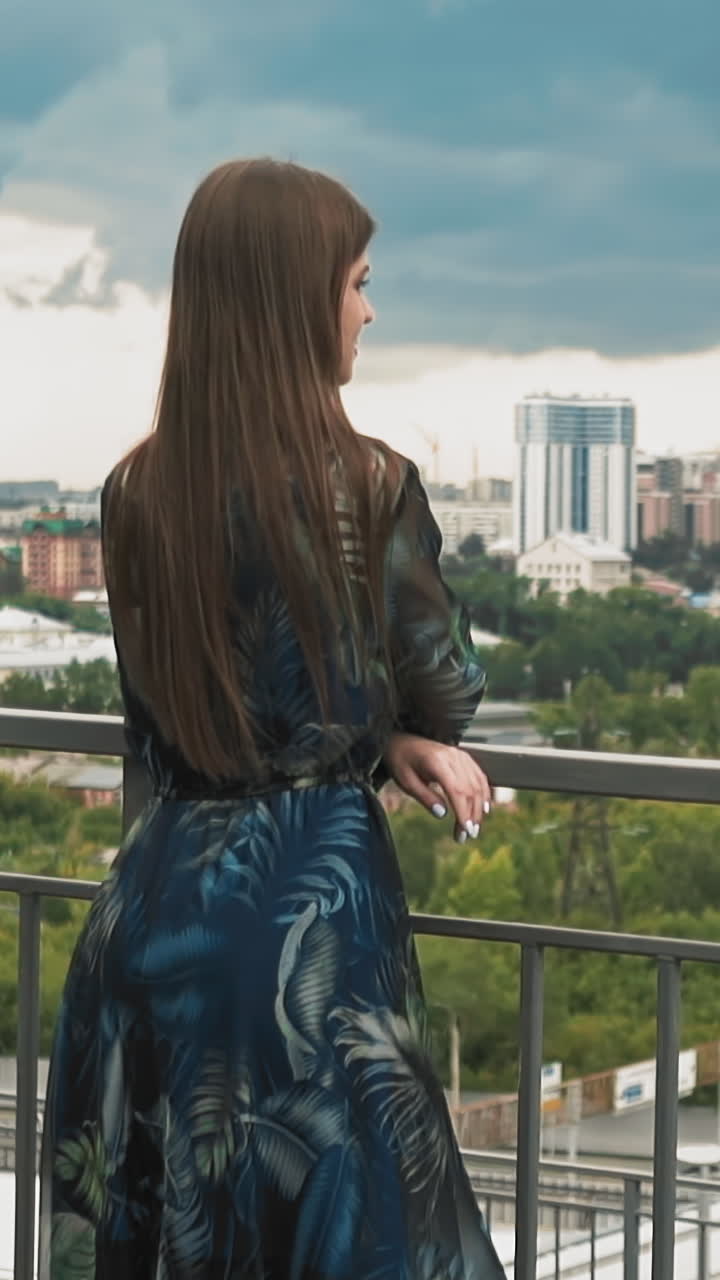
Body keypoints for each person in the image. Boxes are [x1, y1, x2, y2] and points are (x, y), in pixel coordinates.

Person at [39, 158, 506, 1280]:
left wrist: (362, 728)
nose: (369, 308)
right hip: (309, 937)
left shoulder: (135, 491)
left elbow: (166, 715)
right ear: (298, 298)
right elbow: (450, 690)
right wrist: (395, 730)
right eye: (355, 281)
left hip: (151, 923)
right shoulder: (373, 481)